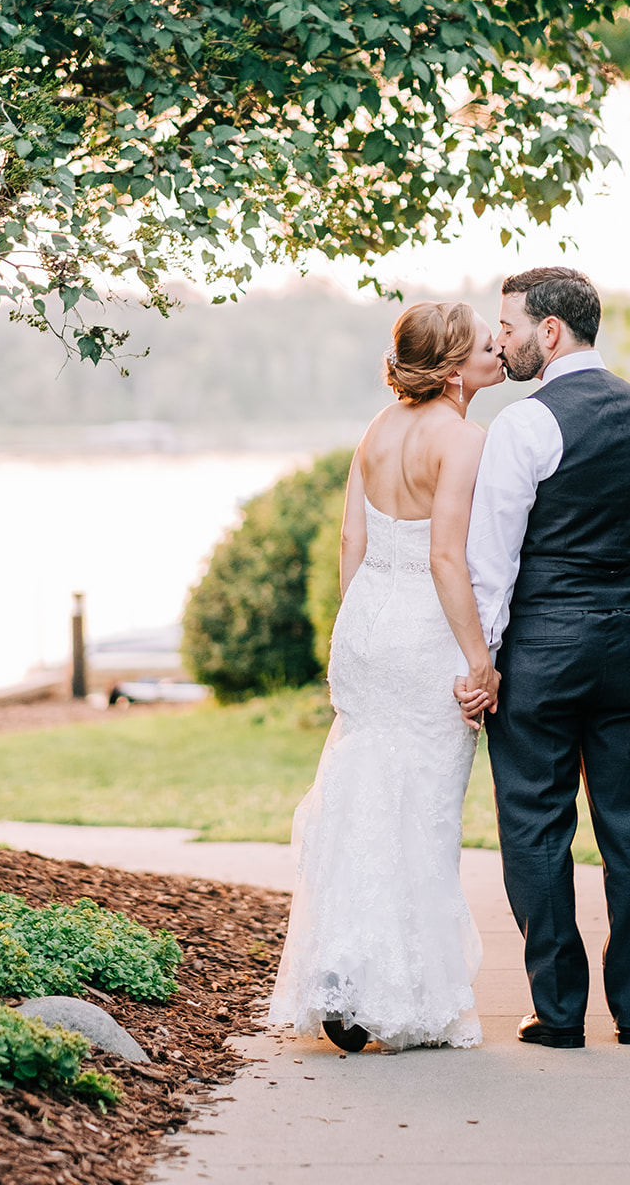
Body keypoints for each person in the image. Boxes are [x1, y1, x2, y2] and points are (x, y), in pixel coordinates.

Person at [269, 300, 504, 1052]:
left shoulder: (376, 428)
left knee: (361, 797)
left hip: (367, 624)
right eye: (478, 345)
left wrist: (357, 625)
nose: (492, 350)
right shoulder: (462, 439)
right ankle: (407, 994)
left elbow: (351, 538)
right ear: (450, 369)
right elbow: (446, 558)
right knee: (422, 815)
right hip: (426, 633)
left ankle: (343, 977)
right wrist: (478, 659)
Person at [463, 266, 630, 1049]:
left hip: (542, 654)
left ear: (548, 330)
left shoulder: (524, 425)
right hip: (627, 648)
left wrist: (483, 664)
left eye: (509, 325)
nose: (502, 339)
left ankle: (557, 1013)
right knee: (629, 828)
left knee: (534, 825)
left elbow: (492, 565)